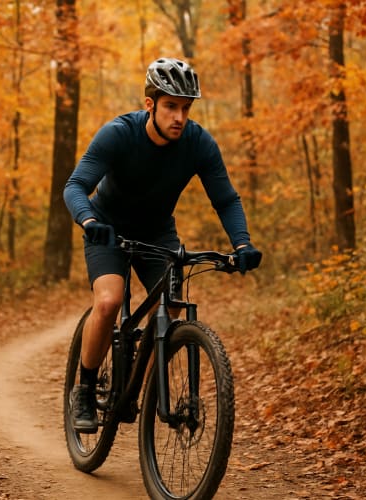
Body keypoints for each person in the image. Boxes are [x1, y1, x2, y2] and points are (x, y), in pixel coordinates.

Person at [63, 57, 262, 433]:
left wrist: (242, 244)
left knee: (169, 308)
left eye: (186, 108)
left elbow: (226, 199)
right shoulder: (118, 134)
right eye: (171, 106)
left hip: (157, 232)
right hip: (106, 227)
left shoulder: (199, 143)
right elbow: (75, 186)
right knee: (108, 302)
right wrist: (89, 221)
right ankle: (85, 390)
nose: (180, 117)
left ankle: (146, 390)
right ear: (150, 105)